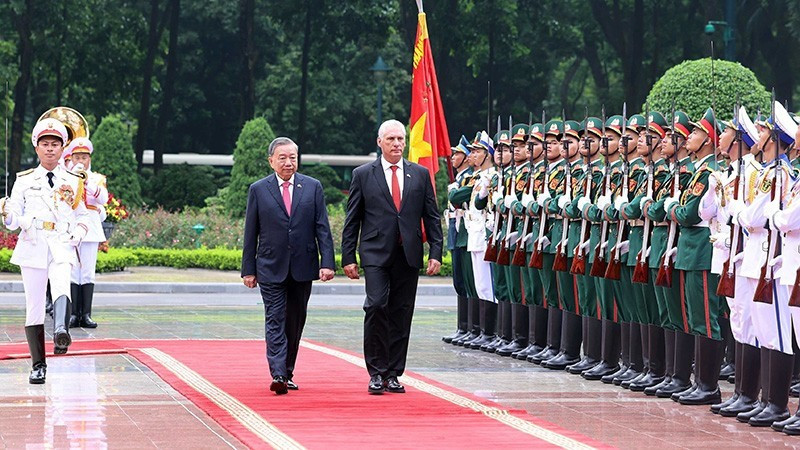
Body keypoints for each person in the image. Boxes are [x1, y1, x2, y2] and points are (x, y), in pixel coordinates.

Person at [341, 119, 443, 395]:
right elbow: (353, 218)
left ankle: (393, 373)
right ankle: (376, 371)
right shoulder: (363, 174)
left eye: (400, 139)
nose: (397, 144)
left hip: (407, 253)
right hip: (375, 252)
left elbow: (431, 216)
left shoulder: (419, 175)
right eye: (391, 140)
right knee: (376, 306)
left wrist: (436, 251)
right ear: (379, 143)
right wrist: (348, 256)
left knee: (401, 312)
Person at [241, 137, 335, 395]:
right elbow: (251, 232)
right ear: (271, 160)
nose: (288, 162)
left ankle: (288, 371)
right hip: (270, 266)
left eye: (292, 157)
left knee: (295, 321)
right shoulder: (259, 190)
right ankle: (278, 373)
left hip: (303, 266)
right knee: (275, 318)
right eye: (282, 157)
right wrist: (248, 269)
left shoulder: (312, 187)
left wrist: (327, 262)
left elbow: (322, 228)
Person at [2, 118, 90, 384]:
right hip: (33, 242)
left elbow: (83, 214)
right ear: (37, 148)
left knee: (62, 283)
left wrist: (80, 232)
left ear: (63, 148)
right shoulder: (24, 180)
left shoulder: (74, 180)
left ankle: (61, 330)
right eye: (45, 144)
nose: (50, 149)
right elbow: (14, 215)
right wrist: (6, 215)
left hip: (62, 241)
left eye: (55, 144)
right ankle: (38, 365)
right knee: (35, 306)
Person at [65, 137, 108, 329]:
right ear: (71, 158)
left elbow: (104, 199)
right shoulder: (65, 176)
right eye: (77, 157)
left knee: (88, 272)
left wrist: (87, 181)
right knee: (73, 272)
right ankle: (74, 314)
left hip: (90, 229)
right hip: (72, 227)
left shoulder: (97, 178)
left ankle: (87, 314)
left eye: (84, 157)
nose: (80, 161)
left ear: (89, 158)